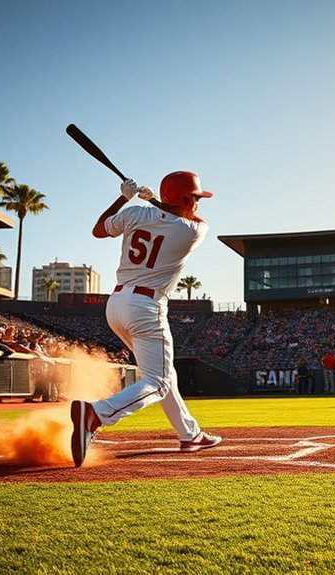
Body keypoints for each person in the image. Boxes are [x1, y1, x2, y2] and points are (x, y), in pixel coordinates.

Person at [70, 171, 222, 468]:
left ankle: (189, 434)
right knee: (158, 381)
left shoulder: (135, 213)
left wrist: (124, 198)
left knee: (165, 375)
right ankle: (97, 414)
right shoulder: (191, 230)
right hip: (147, 307)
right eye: (195, 198)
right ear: (185, 198)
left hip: (116, 304)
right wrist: (152, 199)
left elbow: (98, 230)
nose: (198, 204)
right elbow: (184, 218)